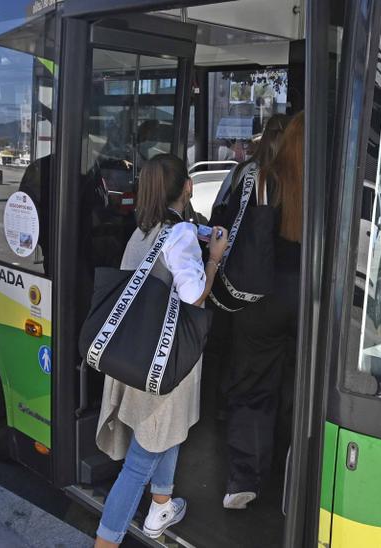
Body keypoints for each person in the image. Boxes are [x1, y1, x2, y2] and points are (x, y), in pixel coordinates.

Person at [94, 154, 229, 547]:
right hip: (166, 360)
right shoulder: (181, 234)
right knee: (140, 462)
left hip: (136, 353)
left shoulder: (142, 231)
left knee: (165, 433)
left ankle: (161, 506)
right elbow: (194, 295)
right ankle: (105, 541)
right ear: (187, 188)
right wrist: (215, 259)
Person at [221, 112, 304, 509]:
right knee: (296, 384)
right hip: (309, 301)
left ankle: (245, 477)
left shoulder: (266, 177)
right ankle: (293, 471)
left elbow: (243, 237)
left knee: (254, 385)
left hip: (263, 299)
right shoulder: (330, 182)